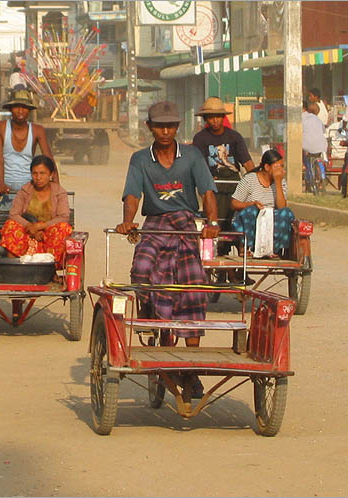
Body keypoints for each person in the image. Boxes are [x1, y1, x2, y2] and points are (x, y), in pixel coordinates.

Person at [117, 101, 220, 399]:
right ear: (149, 127)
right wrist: (127, 222)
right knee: (142, 269)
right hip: (155, 224)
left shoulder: (191, 156)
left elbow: (207, 192)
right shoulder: (140, 159)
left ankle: (191, 368)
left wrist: (212, 222)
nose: (165, 130)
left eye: (171, 125)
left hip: (185, 223)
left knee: (192, 283)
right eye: (160, 125)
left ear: (177, 128)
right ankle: (152, 319)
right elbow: (132, 195)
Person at [0, 89, 55, 251]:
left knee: (36, 226)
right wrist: (0, 183)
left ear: (29, 111)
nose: (20, 111)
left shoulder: (37, 130)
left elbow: (48, 159)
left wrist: (55, 187)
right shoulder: (0, 127)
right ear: (11, 109)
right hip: (6, 188)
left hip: (29, 189)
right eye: (17, 106)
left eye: (24, 107)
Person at [192, 97, 255, 259]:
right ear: (206, 118)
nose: (215, 120)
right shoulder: (200, 139)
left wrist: (256, 180)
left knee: (239, 218)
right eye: (211, 117)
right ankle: (221, 261)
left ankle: (242, 255)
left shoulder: (234, 137)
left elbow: (247, 162)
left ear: (223, 117)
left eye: (218, 116)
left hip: (234, 183)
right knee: (217, 220)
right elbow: (199, 165)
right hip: (213, 185)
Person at [0, 155, 72, 268]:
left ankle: (50, 270)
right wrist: (31, 227)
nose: (38, 177)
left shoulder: (59, 192)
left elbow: (63, 217)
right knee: (10, 225)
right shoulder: (25, 190)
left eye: (42, 173)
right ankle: (14, 268)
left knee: (63, 228)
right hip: (27, 233)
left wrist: (41, 226)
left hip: (48, 235)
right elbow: (14, 214)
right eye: (35, 173)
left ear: (51, 174)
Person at [231, 149, 295, 256]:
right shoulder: (250, 180)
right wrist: (251, 204)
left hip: (269, 219)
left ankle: (274, 248)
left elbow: (281, 207)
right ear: (267, 167)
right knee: (252, 211)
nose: (281, 170)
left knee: (286, 213)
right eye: (277, 167)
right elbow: (234, 203)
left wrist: (278, 182)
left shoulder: (281, 182)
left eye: (282, 166)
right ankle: (248, 247)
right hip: (251, 217)